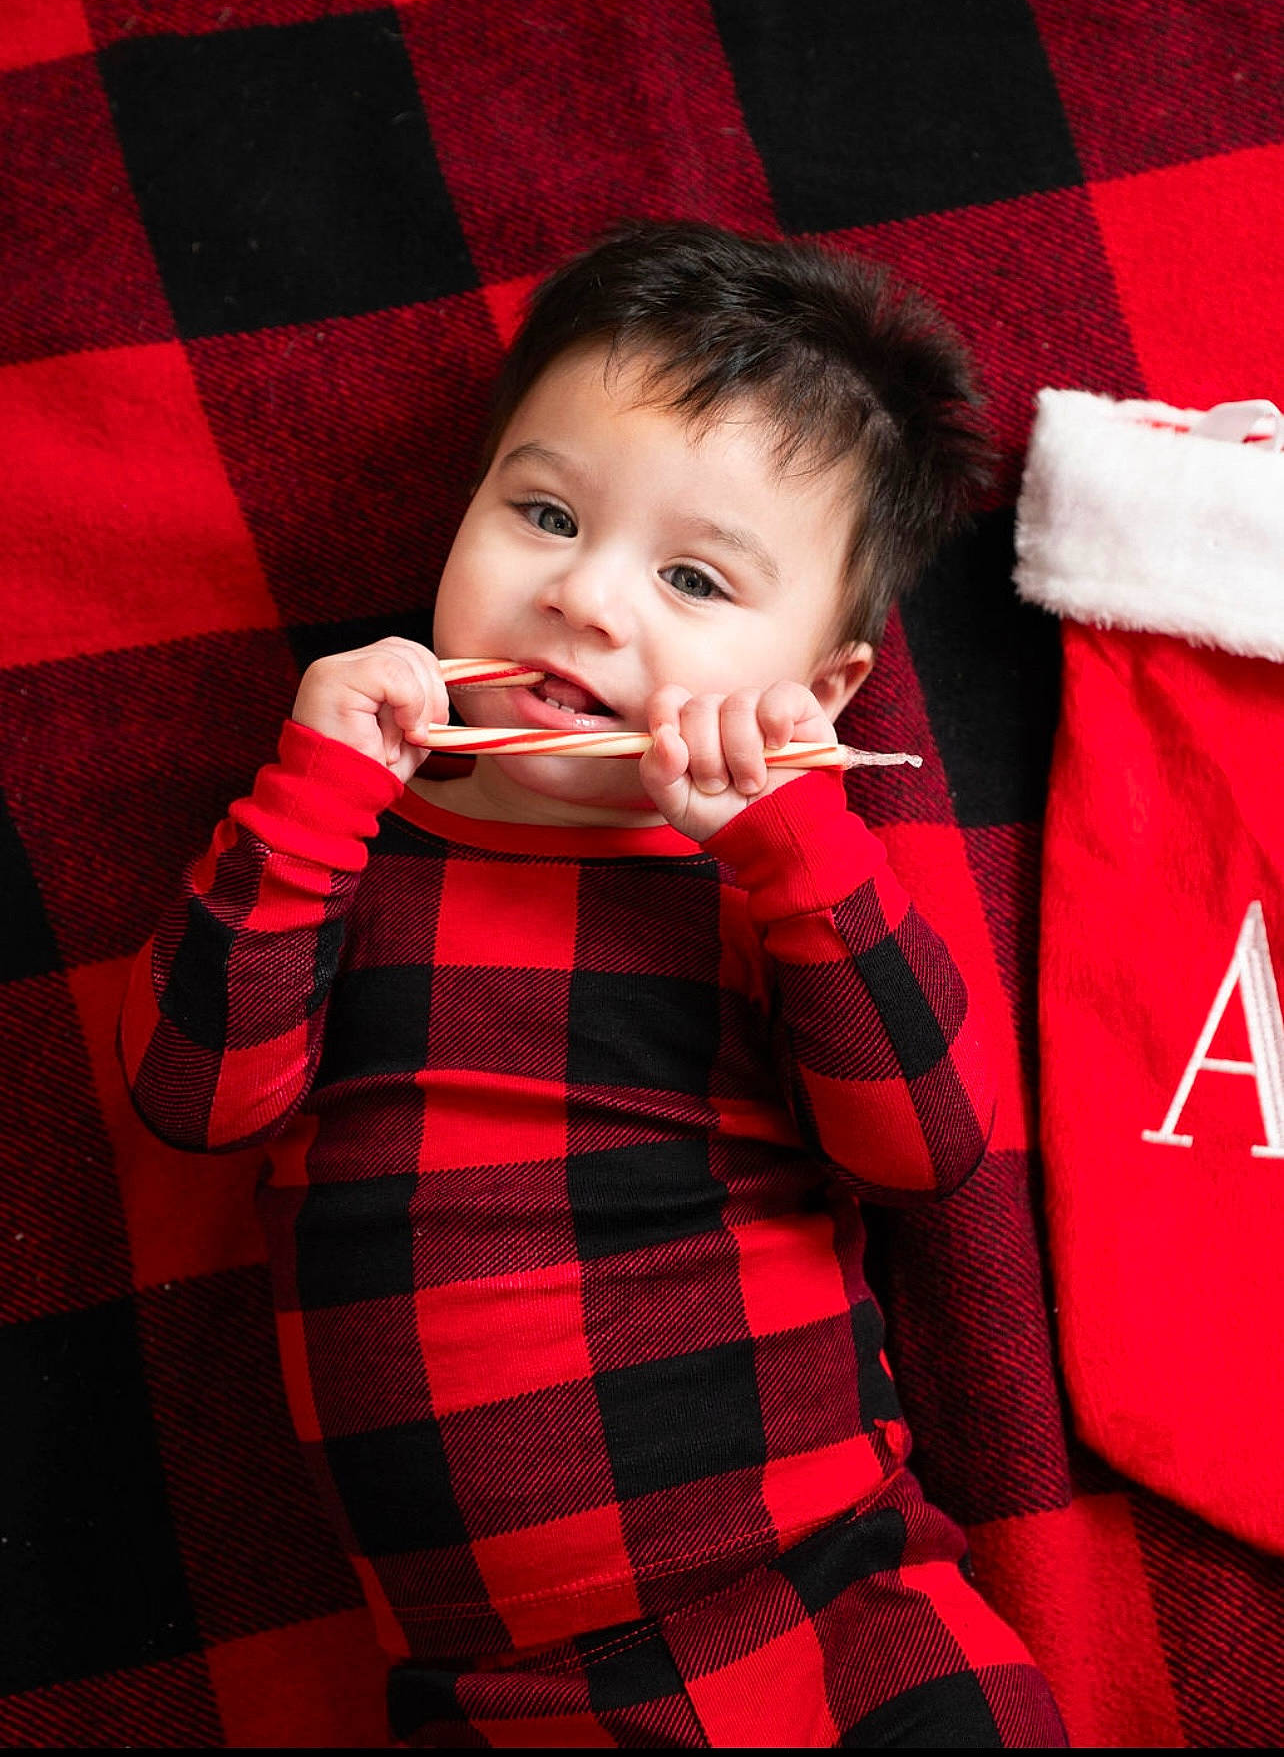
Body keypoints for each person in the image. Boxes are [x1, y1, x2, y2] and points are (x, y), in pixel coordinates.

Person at [119, 222, 1066, 1747]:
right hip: (488, 1693)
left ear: (822, 692)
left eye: (693, 577)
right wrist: (306, 801)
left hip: (824, 1590)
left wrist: (799, 851)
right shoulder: (340, 838)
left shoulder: (776, 884)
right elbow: (191, 1097)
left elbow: (928, 1147)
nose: (587, 598)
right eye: (545, 513)